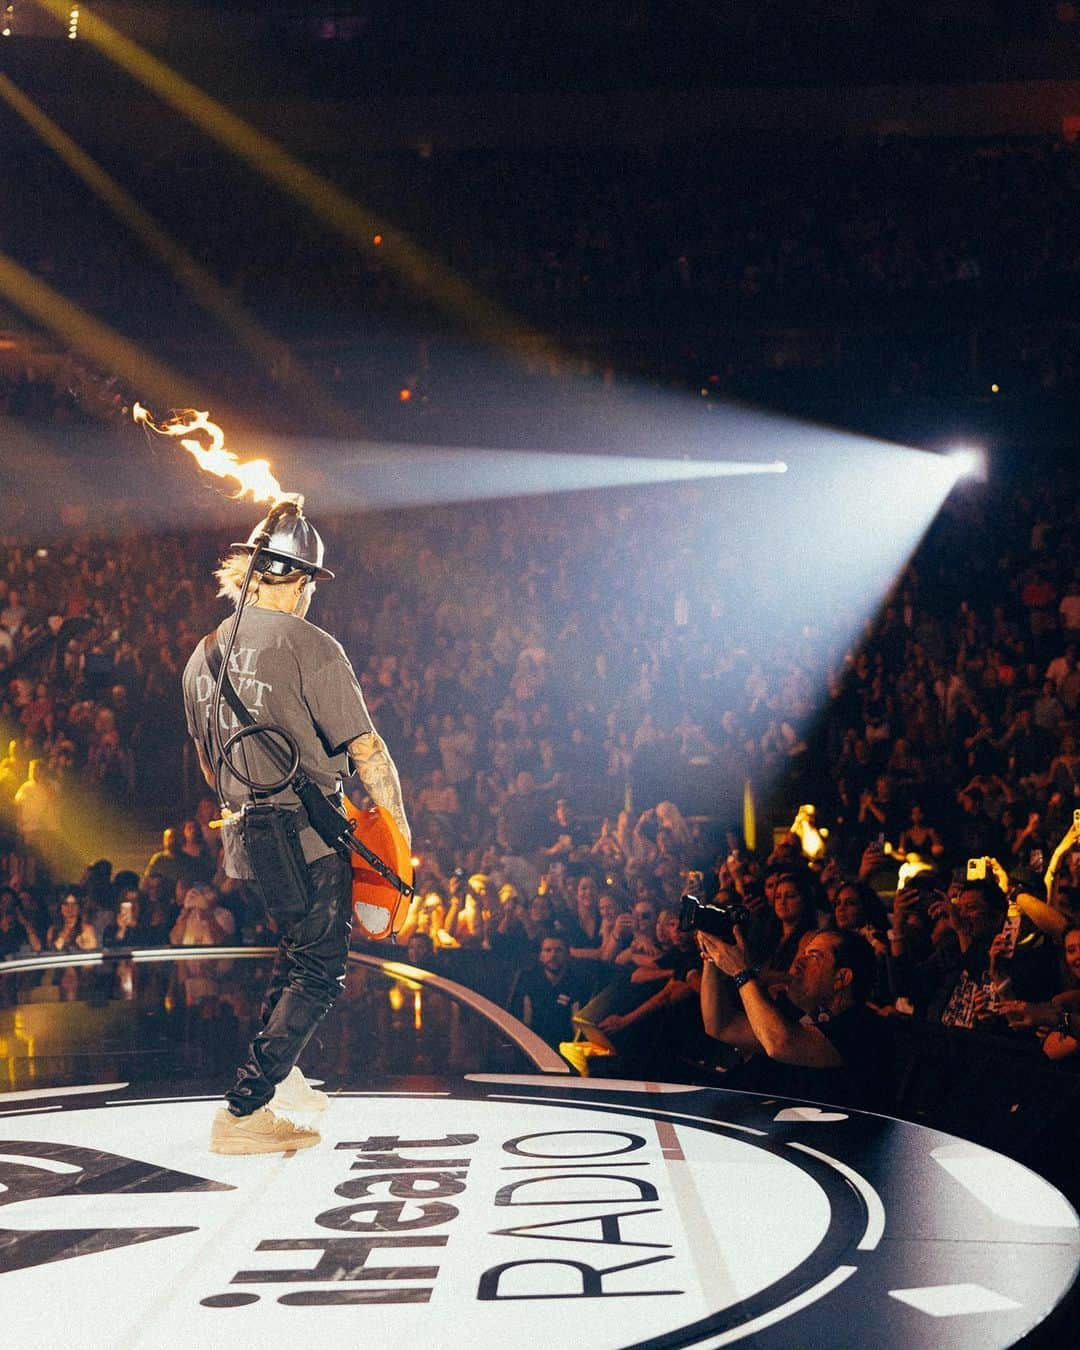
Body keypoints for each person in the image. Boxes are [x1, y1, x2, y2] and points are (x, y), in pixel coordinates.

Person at [182, 501, 410, 1155]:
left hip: (247, 836)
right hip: (305, 832)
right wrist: (397, 833)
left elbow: (208, 762)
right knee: (320, 966)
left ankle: (281, 1082)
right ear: (302, 581)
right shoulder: (310, 645)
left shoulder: (202, 656)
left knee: (298, 947)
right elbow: (366, 751)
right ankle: (245, 1109)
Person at [700, 924, 893, 1112]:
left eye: (814, 956)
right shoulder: (799, 1014)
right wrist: (713, 956)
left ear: (841, 978)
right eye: (803, 953)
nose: (799, 963)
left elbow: (780, 1044)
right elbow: (720, 1025)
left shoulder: (862, 1028)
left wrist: (741, 972)